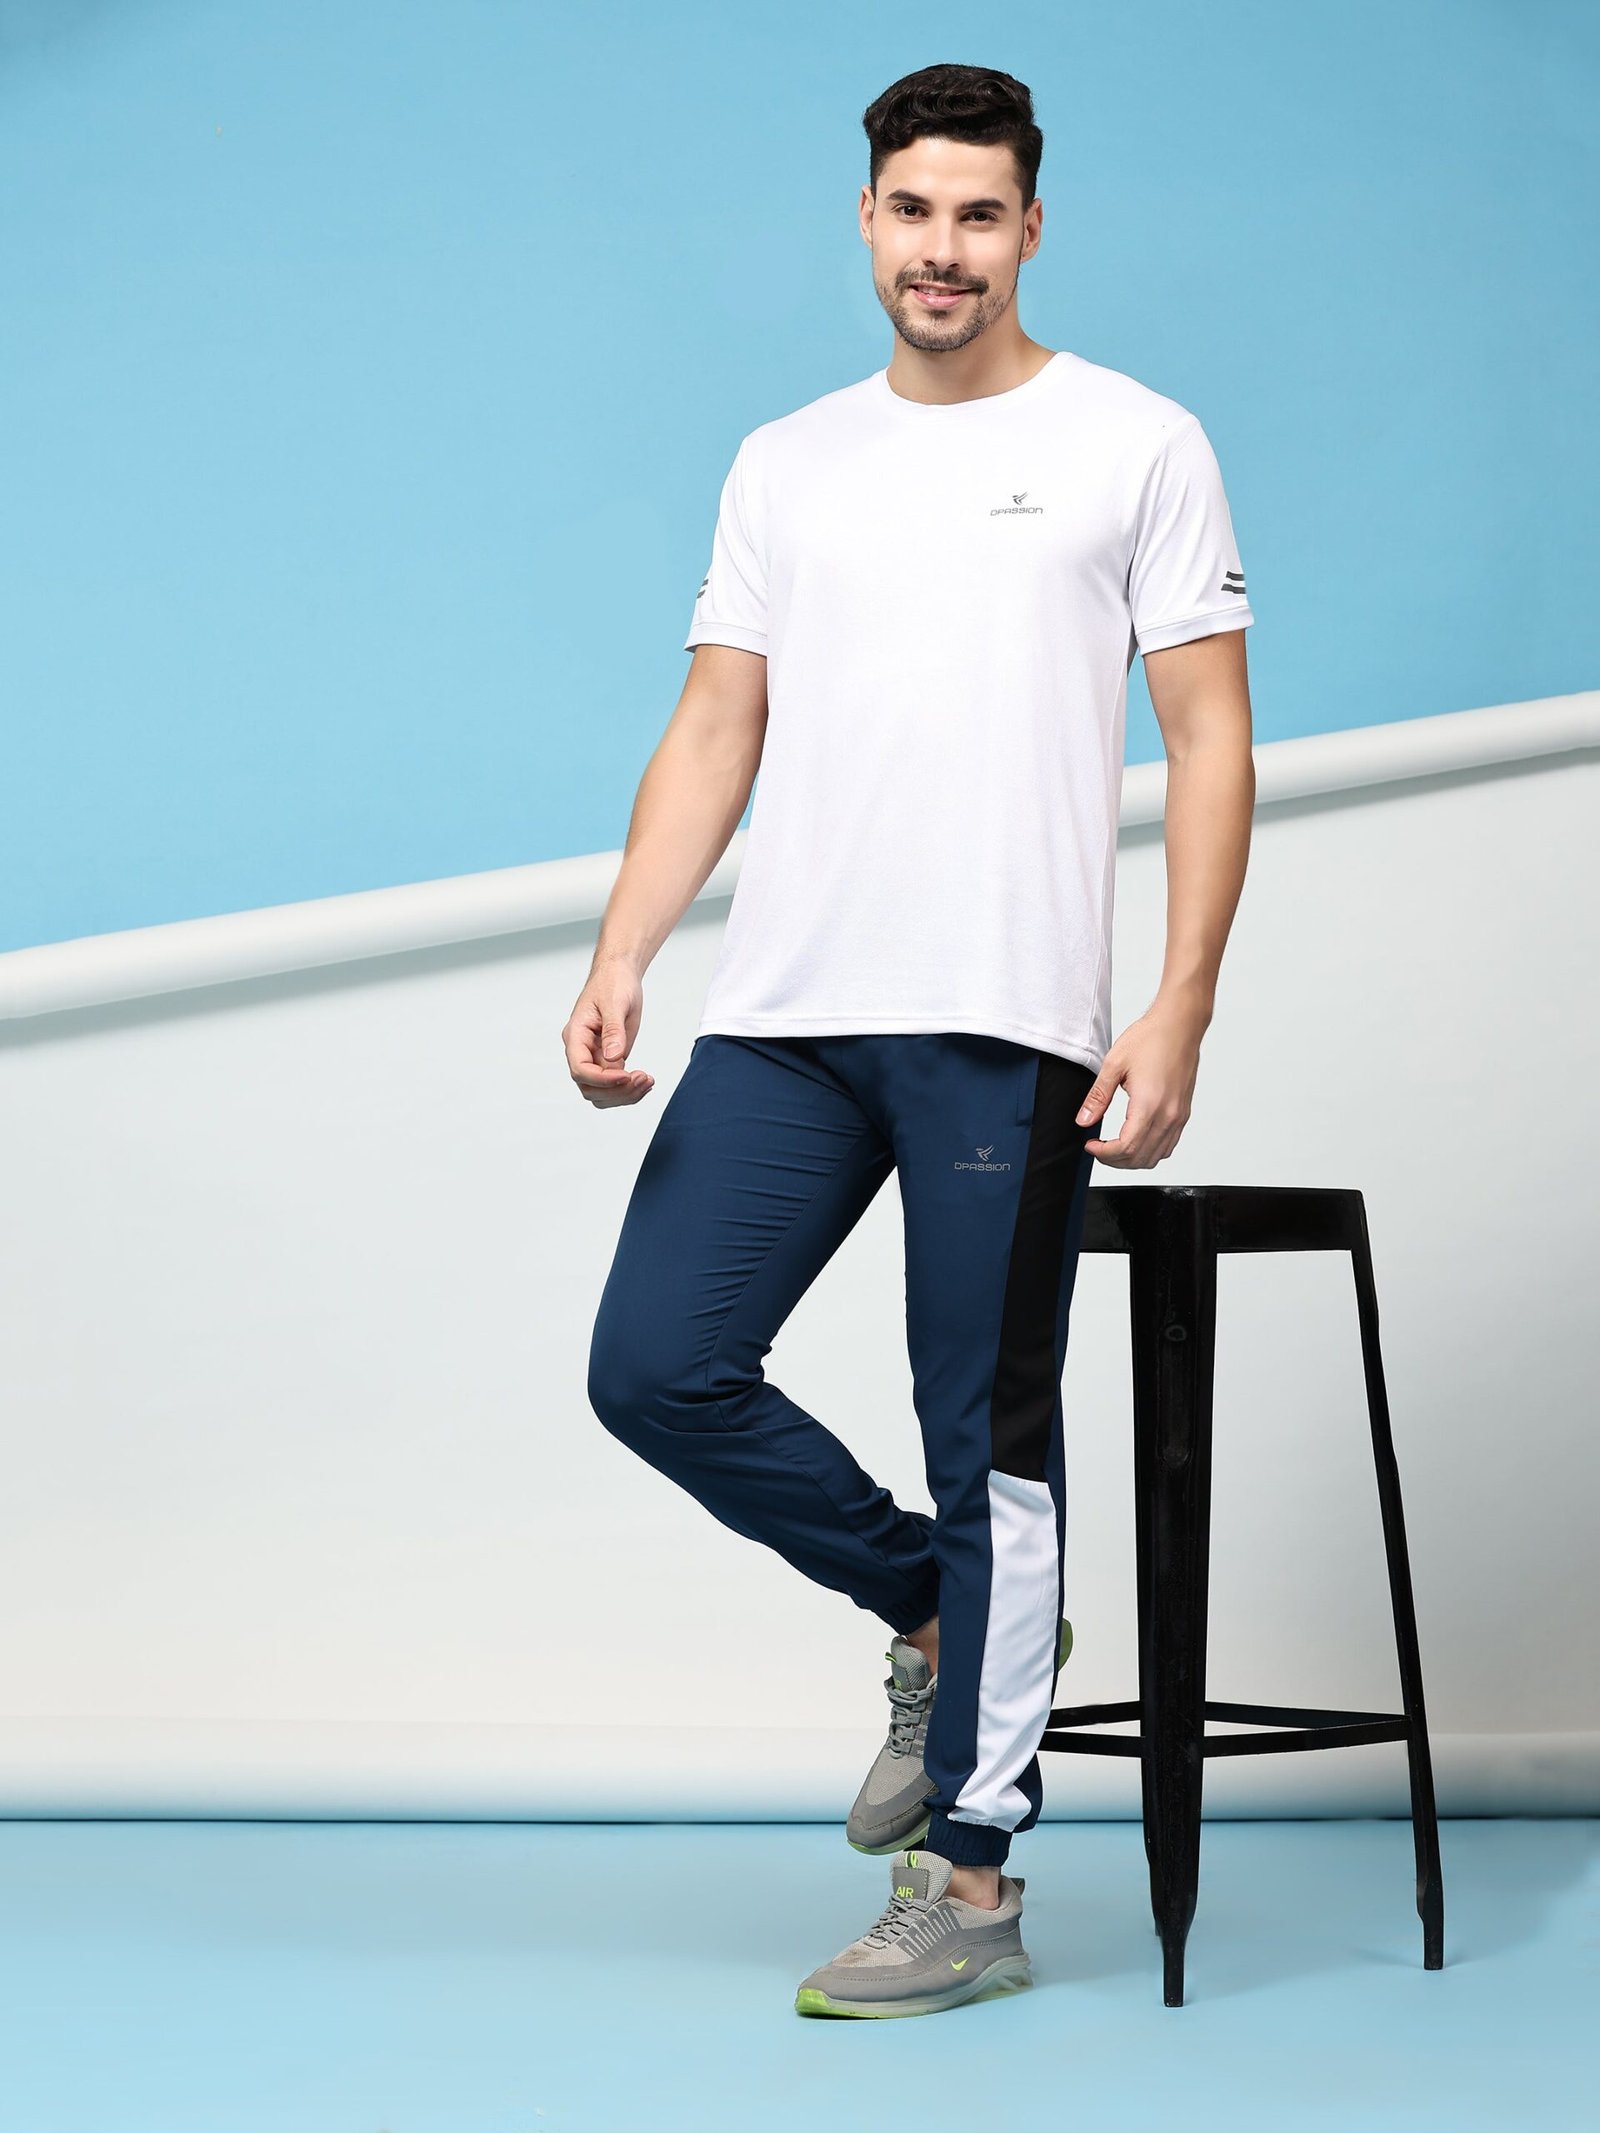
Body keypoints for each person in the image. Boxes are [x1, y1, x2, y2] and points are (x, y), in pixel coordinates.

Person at [570, 61, 1256, 2019]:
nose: (940, 248)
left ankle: (970, 1880)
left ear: (1028, 227)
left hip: (1002, 1013)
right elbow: (719, 719)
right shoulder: (787, 459)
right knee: (655, 1363)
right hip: (791, 1009)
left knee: (990, 1437)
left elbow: (1207, 731)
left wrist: (1178, 999)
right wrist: (625, 945)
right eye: (910, 211)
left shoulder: (1134, 440)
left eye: (977, 214)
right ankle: (926, 1605)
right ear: (864, 221)